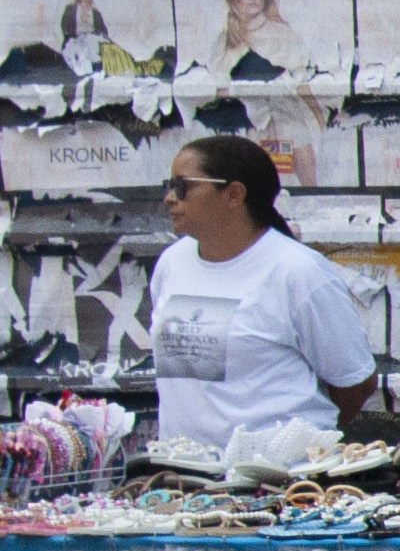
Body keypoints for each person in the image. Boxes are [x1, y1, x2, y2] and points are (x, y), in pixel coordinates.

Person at [146, 138, 375, 451]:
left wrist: (292, 451)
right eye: (169, 185)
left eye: (182, 186)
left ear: (234, 194)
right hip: (185, 476)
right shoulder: (172, 263)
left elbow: (355, 383)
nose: (169, 198)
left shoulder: (298, 272)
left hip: (277, 483)